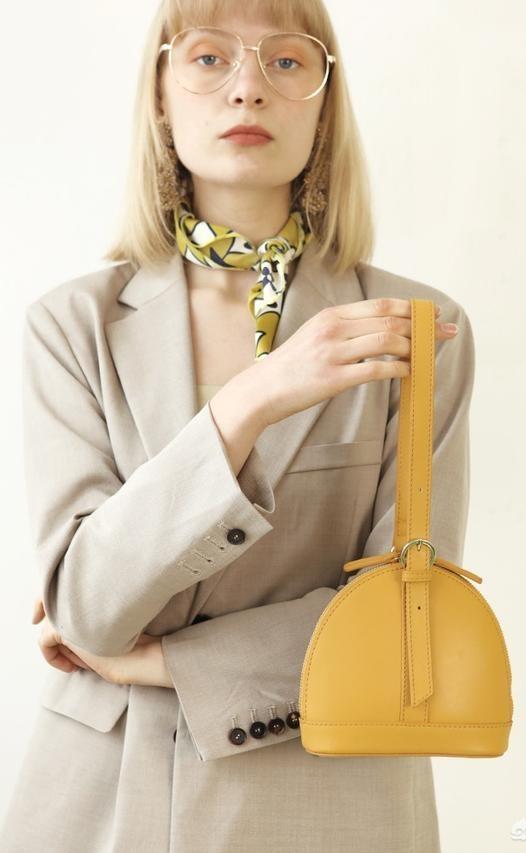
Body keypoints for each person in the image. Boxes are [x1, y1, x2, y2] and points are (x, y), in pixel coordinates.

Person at [0, 1, 474, 851]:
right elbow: (86, 609)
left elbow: (409, 622)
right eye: (209, 57)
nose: (247, 88)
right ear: (160, 93)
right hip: (103, 797)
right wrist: (250, 400)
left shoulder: (416, 329)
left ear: (325, 100)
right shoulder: (70, 326)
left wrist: (167, 662)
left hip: (327, 797)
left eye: (286, 61)